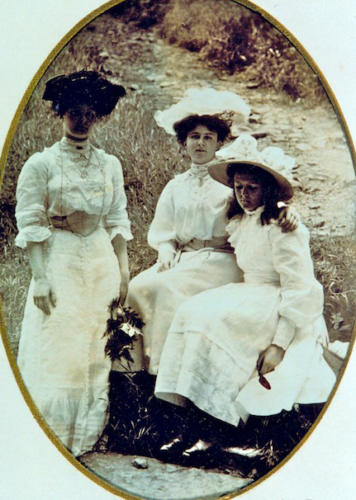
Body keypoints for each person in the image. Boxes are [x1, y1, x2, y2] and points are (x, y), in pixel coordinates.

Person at [155, 133, 336, 457]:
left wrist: (280, 344)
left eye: (252, 188)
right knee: (191, 312)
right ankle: (188, 423)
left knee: (218, 323)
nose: (244, 195)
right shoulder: (240, 219)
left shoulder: (283, 226)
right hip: (250, 291)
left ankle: (215, 429)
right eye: (238, 187)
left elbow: (300, 287)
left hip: (278, 301)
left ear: (267, 189)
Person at [127, 88, 297, 375]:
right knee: (136, 287)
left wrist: (286, 209)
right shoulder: (176, 185)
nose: (201, 143)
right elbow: (164, 230)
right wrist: (166, 250)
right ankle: (133, 370)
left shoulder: (230, 181)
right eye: (194, 137)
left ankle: (168, 371)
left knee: (166, 290)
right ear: (184, 142)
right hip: (184, 258)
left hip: (222, 260)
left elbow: (259, 201)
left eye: (208, 137)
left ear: (219, 141)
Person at [15, 70, 132, 457]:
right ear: (60, 113)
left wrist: (123, 269)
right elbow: (32, 225)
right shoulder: (41, 164)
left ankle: (87, 434)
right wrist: (41, 278)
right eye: (73, 112)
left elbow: (117, 220)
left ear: (98, 116)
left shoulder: (109, 164)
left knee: (93, 344)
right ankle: (48, 435)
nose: (81, 120)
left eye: (89, 113)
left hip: (99, 260)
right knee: (59, 342)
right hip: (59, 257)